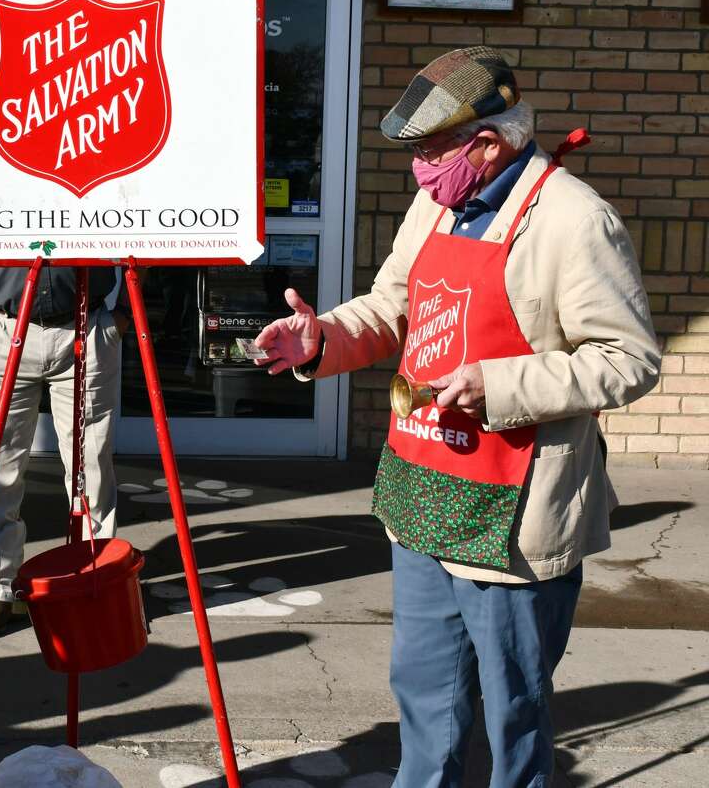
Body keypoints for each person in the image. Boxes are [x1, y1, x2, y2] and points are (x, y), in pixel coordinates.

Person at [254, 46, 660, 787]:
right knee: (425, 698)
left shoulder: (575, 221)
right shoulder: (437, 202)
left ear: (487, 143)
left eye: (432, 151)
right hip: (423, 492)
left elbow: (629, 358)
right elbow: (393, 306)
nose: (419, 171)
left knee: (514, 711)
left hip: (512, 510)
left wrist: (500, 385)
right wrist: (322, 339)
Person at [0, 266, 129, 637]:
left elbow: (140, 227)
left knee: (90, 465)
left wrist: (120, 314)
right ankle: (1, 588)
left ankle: (96, 584)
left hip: (85, 324)